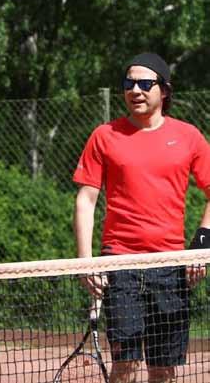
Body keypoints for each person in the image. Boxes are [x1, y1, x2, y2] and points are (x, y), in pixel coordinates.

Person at [73, 52, 210, 383]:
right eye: (129, 83)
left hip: (171, 267)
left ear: (164, 91)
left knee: (163, 370)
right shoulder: (104, 135)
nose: (135, 90)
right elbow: (86, 200)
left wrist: (201, 247)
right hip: (120, 266)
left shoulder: (189, 136)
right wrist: (85, 262)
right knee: (126, 367)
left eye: (145, 83)